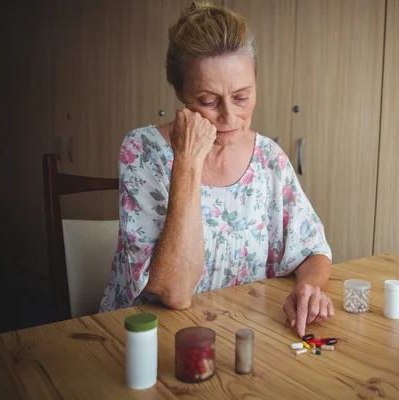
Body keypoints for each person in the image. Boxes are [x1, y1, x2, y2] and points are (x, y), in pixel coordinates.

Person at [99, 1, 332, 337]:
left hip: (236, 331)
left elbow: (314, 250)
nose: (228, 116)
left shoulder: (269, 158)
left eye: (241, 97)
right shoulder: (142, 151)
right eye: (208, 101)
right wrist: (188, 161)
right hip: (147, 338)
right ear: (180, 92)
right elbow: (175, 293)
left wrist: (308, 287)